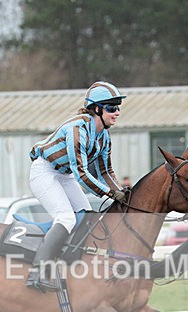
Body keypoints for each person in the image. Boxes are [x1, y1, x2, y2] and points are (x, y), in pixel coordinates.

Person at [25, 81, 128, 292]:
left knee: (88, 215)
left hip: (64, 174)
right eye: (111, 108)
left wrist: (124, 192)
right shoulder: (77, 128)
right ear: (97, 109)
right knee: (66, 218)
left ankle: (70, 261)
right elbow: (81, 172)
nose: (116, 112)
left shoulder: (104, 136)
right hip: (45, 172)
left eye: (118, 108)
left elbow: (106, 171)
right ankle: (36, 273)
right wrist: (110, 193)